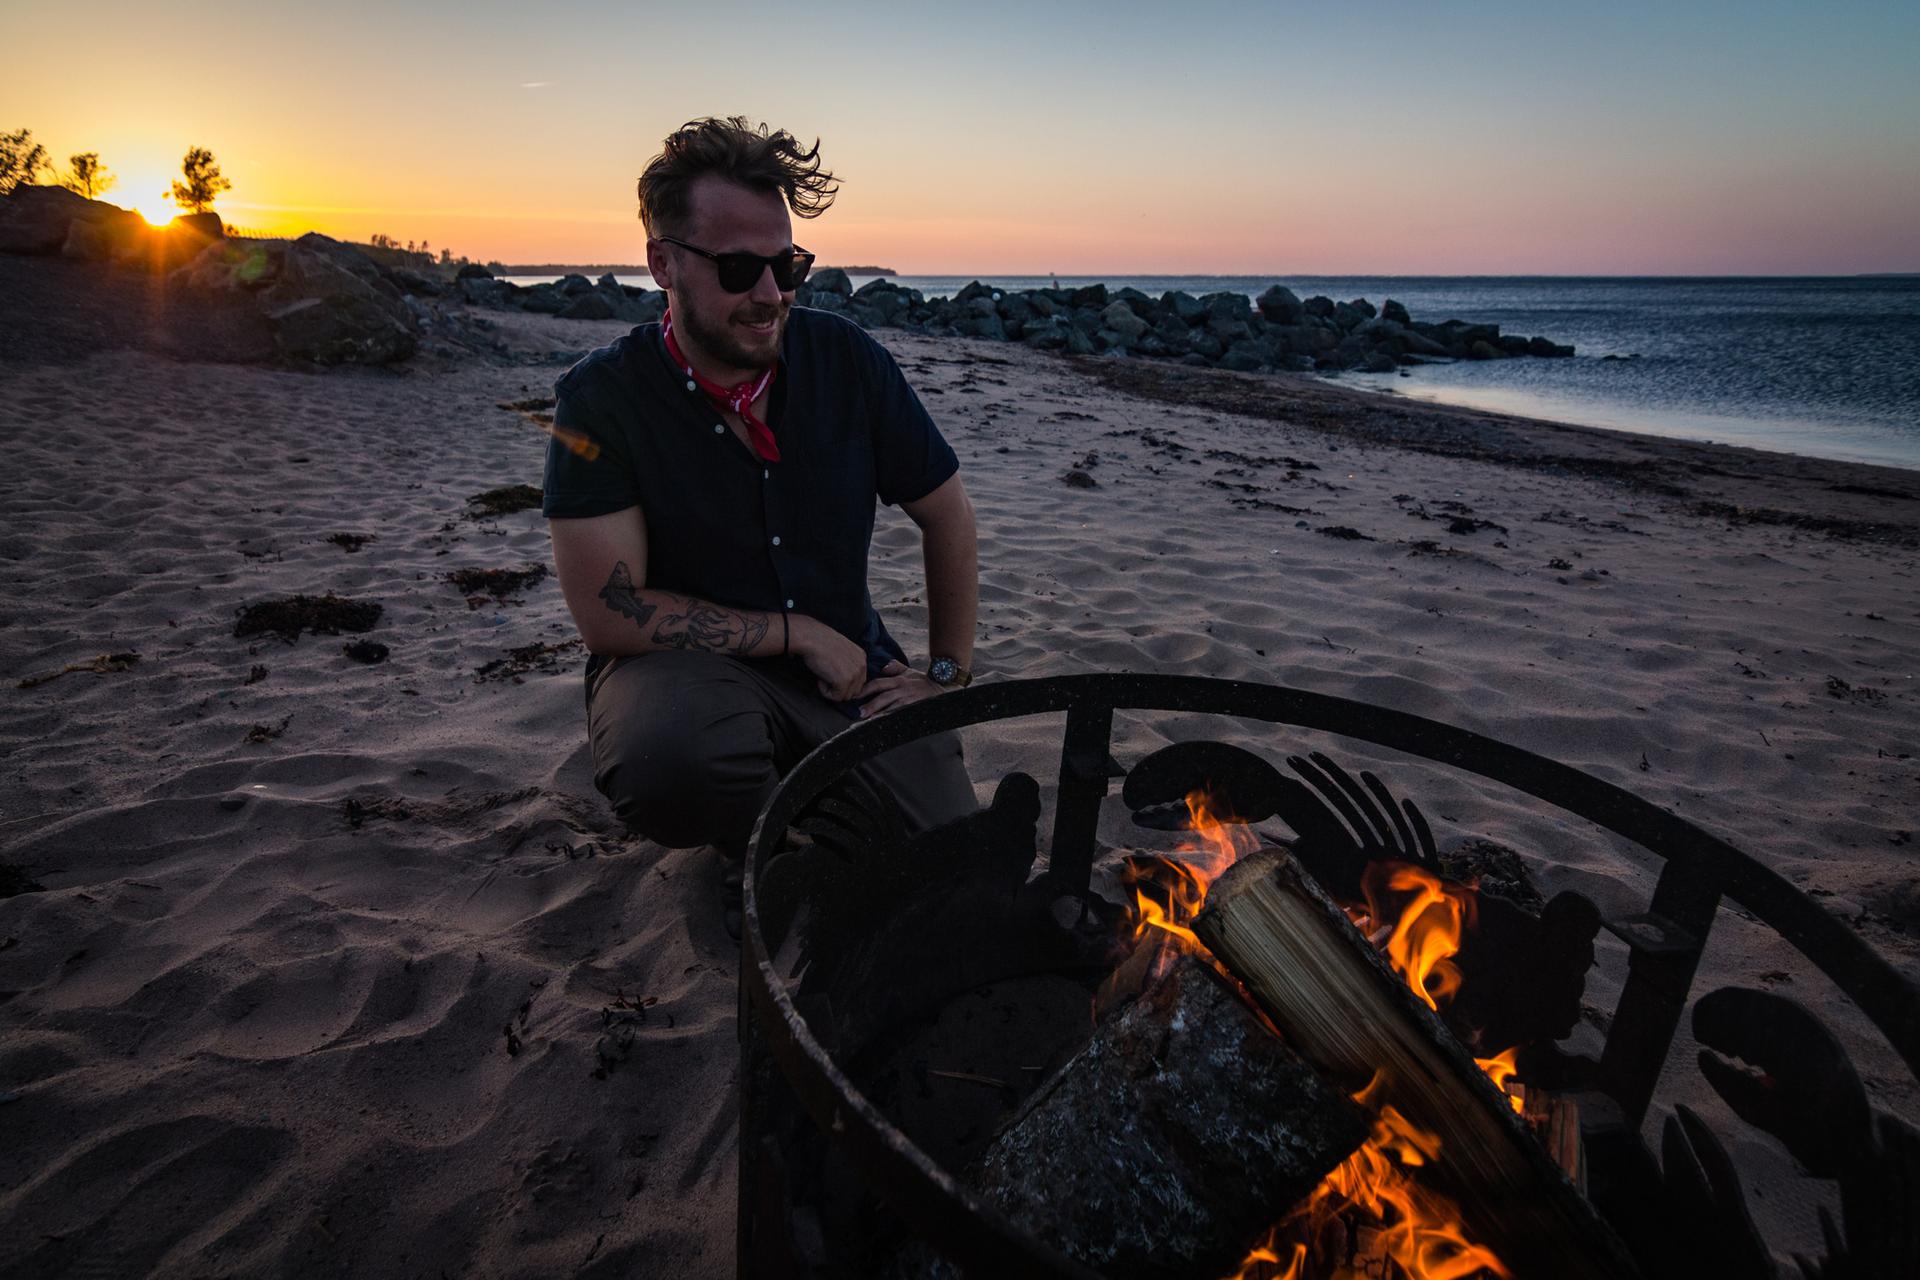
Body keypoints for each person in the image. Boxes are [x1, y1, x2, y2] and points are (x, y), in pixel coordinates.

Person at [541, 117, 979, 934]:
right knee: (673, 758)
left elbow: (947, 514)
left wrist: (946, 678)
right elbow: (610, 611)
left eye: (788, 264)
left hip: (852, 679)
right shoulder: (603, 398)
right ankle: (762, 846)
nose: (771, 294)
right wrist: (793, 631)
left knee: (952, 853)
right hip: (685, 674)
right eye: (741, 269)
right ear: (662, 264)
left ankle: (818, 815)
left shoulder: (847, 362)